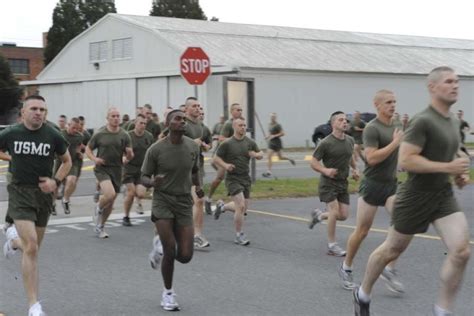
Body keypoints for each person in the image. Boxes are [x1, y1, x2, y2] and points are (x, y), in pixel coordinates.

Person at [353, 67, 471, 316]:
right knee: (391, 250)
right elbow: (406, 161)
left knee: (461, 251)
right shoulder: (422, 120)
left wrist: (459, 172)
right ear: (433, 87)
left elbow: (454, 151)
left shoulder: (452, 121)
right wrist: (448, 166)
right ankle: (363, 292)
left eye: (457, 82)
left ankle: (442, 310)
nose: (455, 86)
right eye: (449, 81)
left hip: (443, 195)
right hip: (415, 196)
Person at [1, 95, 71, 316]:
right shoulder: (11, 133)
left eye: (42, 109)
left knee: (32, 248)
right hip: (20, 192)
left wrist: (56, 181)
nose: (38, 113)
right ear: (23, 112)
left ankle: (13, 241)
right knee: (31, 246)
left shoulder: (53, 135)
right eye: (34, 108)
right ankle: (34, 305)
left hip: (43, 196)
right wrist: (10, 159)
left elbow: (66, 161)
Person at [339, 90, 404, 293]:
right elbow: (372, 158)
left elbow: (400, 150)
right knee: (362, 231)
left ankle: (389, 268)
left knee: (403, 225)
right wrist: (394, 143)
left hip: (391, 185)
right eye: (388, 102)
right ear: (377, 105)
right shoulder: (372, 129)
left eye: (394, 101)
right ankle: (346, 267)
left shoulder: (397, 125)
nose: (392, 105)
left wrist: (402, 162)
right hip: (373, 185)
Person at [143, 109, 201, 311]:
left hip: (184, 202)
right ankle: (168, 293)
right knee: (170, 250)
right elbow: (143, 177)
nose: (183, 122)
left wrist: (199, 187)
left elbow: (195, 170)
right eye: (178, 119)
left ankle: (159, 246)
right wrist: (152, 182)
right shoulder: (156, 149)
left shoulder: (192, 146)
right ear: (168, 124)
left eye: (184, 119)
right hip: (163, 201)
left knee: (185, 255)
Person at [308, 111, 359, 257]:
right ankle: (332, 246)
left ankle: (319, 216)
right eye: (341, 120)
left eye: (346, 120)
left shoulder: (350, 140)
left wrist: (355, 170)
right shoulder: (326, 143)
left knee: (343, 216)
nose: (345, 122)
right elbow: (313, 162)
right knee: (334, 211)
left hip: (343, 183)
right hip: (328, 183)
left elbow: (350, 158)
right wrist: (325, 170)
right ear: (333, 124)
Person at [213, 117, 263, 245]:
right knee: (240, 206)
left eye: (244, 125)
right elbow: (216, 158)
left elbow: (260, 153)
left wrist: (257, 155)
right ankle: (238, 235)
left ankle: (222, 206)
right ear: (234, 127)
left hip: (245, 178)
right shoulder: (227, 143)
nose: (243, 127)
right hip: (233, 178)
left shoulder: (249, 142)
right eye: (240, 125)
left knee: (243, 209)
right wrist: (226, 166)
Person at [86, 107, 133, 238]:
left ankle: (100, 226)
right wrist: (95, 159)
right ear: (107, 118)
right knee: (110, 194)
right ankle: (98, 208)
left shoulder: (124, 135)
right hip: (102, 169)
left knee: (111, 203)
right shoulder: (100, 134)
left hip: (117, 169)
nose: (116, 118)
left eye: (118, 116)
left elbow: (129, 155)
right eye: (113, 116)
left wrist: (128, 156)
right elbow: (88, 150)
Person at [183, 97, 212, 248]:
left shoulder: (202, 126)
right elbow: (170, 140)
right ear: (186, 109)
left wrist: (206, 146)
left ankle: (197, 235)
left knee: (199, 200)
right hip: (181, 167)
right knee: (180, 202)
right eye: (194, 106)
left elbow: (209, 143)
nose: (197, 108)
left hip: (196, 167)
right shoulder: (182, 124)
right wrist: (192, 142)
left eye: (198, 106)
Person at [204, 103, 243, 214]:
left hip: (232, 157)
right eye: (237, 110)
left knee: (233, 178)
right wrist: (234, 139)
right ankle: (209, 199)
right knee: (220, 178)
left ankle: (230, 204)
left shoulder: (241, 123)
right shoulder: (228, 124)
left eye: (241, 110)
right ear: (232, 111)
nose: (240, 112)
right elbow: (221, 139)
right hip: (221, 156)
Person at [122, 114, 154, 226]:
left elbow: (152, 153)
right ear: (135, 123)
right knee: (131, 193)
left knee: (140, 194)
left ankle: (136, 200)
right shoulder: (127, 136)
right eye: (141, 123)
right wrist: (123, 158)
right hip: (128, 168)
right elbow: (120, 150)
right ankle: (126, 217)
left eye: (145, 123)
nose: (143, 125)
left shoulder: (149, 136)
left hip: (142, 170)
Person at [56, 117, 85, 215]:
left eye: (77, 128)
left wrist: (79, 153)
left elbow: (79, 147)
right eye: (73, 128)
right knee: (55, 185)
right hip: (60, 162)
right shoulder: (60, 135)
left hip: (72, 161)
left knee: (72, 180)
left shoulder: (79, 136)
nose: (75, 130)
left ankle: (65, 200)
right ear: (68, 125)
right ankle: (51, 205)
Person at [262, 112, 295, 177]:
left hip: (277, 143)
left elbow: (282, 133)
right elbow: (270, 133)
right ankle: (269, 171)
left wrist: (274, 136)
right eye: (271, 117)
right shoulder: (269, 124)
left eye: (274, 117)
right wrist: (267, 137)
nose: (272, 118)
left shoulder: (278, 125)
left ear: (275, 118)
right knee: (269, 156)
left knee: (280, 157)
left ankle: (290, 159)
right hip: (271, 143)